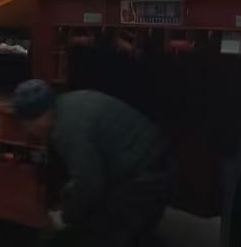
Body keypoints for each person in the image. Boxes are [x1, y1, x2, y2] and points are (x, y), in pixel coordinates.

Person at [12, 79, 176, 246]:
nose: (29, 132)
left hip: (144, 180)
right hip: (158, 165)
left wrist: (64, 216)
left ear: (36, 121)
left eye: (28, 126)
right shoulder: (70, 103)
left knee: (102, 236)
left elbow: (88, 182)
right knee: (135, 233)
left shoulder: (66, 130)